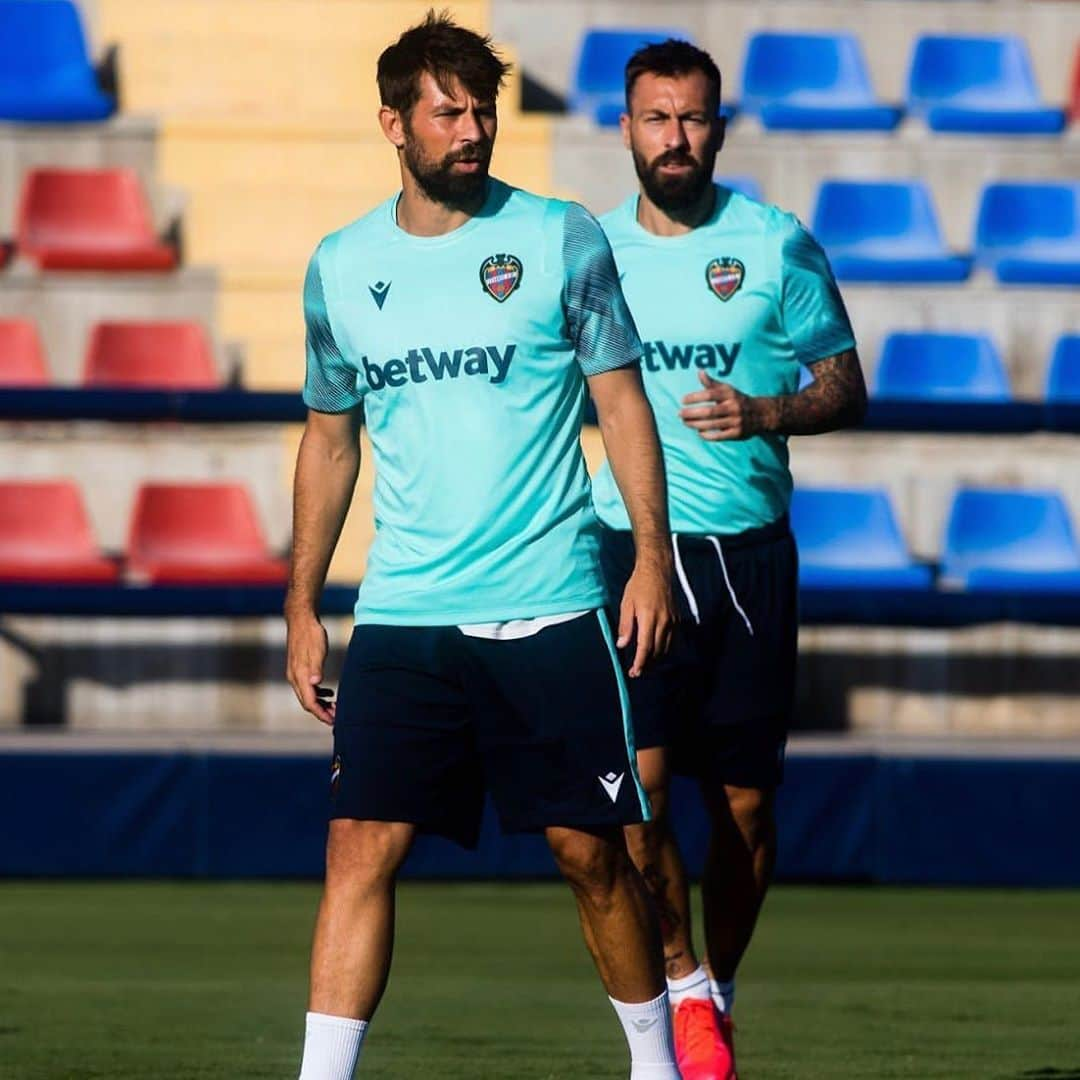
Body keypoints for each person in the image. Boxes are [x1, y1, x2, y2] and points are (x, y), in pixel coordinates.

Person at [285, 13, 682, 1079]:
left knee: (593, 857)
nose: (473, 129)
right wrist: (300, 603)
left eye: (483, 109)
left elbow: (624, 405)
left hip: (549, 605)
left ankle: (658, 1065)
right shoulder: (339, 266)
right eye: (448, 110)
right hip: (405, 616)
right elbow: (330, 442)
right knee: (358, 846)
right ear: (393, 124)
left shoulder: (561, 238)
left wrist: (650, 557)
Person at [591, 39, 868, 1080]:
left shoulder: (775, 243)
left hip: (750, 560)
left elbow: (846, 385)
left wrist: (767, 410)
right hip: (630, 554)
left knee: (745, 812)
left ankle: (722, 988)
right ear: (626, 127)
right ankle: (683, 984)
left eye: (693, 118)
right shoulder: (589, 252)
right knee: (639, 798)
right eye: (655, 118)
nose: (675, 137)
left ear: (719, 127)